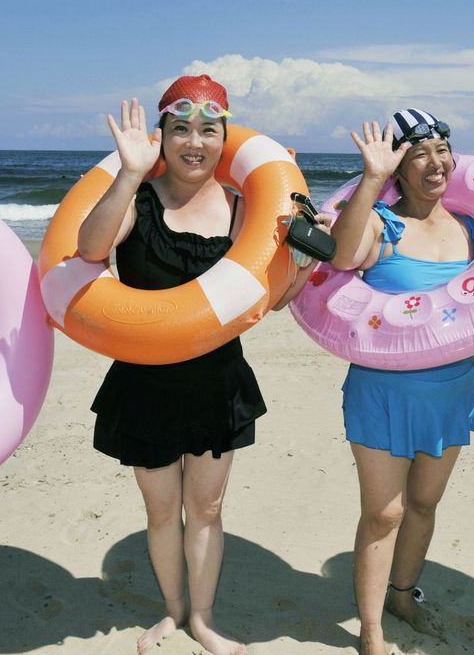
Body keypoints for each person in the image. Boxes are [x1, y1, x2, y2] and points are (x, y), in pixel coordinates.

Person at [77, 75, 320, 655]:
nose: (194, 141)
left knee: (206, 508)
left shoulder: (244, 209)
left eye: (208, 130)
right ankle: (171, 611)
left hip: (217, 382)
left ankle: (204, 619)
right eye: (180, 128)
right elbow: (89, 249)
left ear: (224, 137)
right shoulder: (135, 200)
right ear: (161, 135)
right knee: (162, 511)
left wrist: (305, 266)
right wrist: (131, 172)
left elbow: (272, 298)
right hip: (145, 383)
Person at [328, 110, 474, 654]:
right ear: (399, 165)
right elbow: (341, 256)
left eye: (441, 149)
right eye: (419, 152)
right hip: (383, 390)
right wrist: (369, 178)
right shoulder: (380, 225)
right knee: (383, 512)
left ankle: (404, 595)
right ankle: (370, 630)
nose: (435, 162)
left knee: (425, 505)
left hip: (452, 387)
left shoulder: (472, 228)